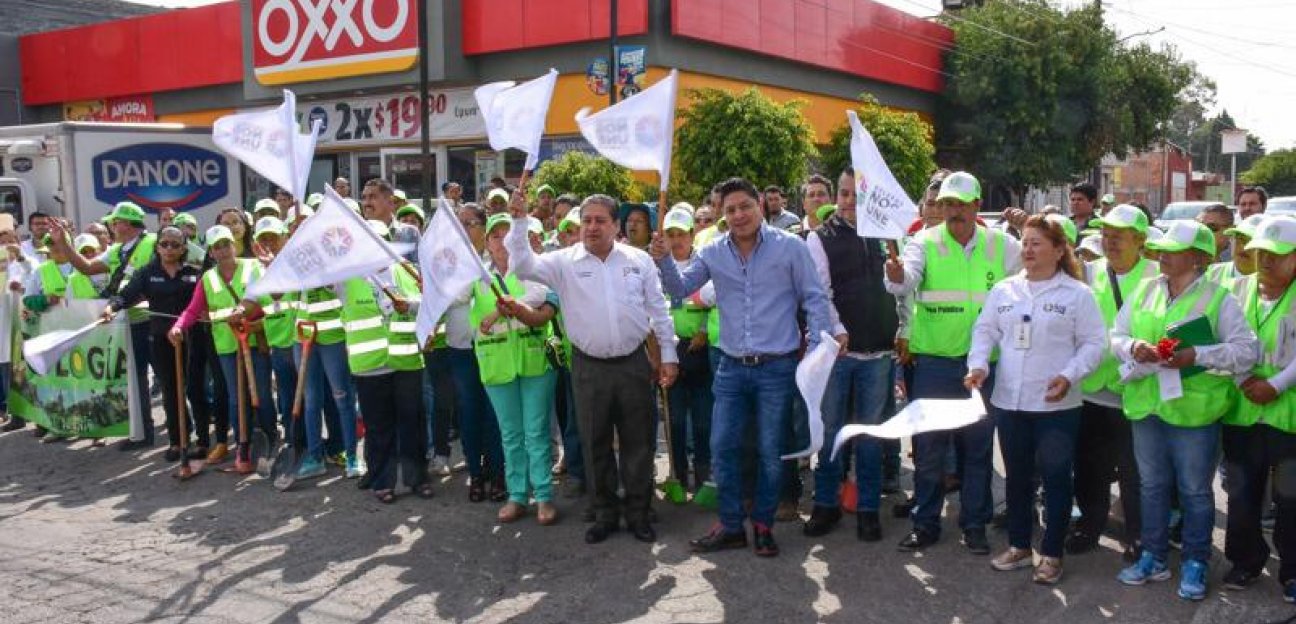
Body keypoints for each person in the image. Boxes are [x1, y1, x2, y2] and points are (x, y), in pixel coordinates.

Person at [654, 177, 835, 558]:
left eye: (745, 207)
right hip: (730, 368)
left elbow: (815, 298)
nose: (738, 215)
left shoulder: (790, 248)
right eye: (730, 210)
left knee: (771, 450)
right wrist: (662, 259)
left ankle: (764, 525)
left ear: (760, 207)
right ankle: (732, 525)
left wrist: (818, 350)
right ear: (723, 214)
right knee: (723, 447)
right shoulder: (713, 251)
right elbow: (680, 287)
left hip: (777, 369)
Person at [508, 191, 678, 545]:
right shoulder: (563, 262)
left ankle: (638, 512)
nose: (592, 227)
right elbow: (523, 266)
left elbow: (658, 309)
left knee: (639, 443)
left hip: (633, 364)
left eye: (601, 220)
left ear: (616, 226)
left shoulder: (638, 260)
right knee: (594, 441)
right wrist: (521, 221)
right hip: (588, 368)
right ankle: (604, 513)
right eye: (586, 220)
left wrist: (669, 354)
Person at [1112, 220, 1258, 601]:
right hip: (1148, 406)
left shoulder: (1218, 297)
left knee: (1194, 491)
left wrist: (1199, 355)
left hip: (1194, 413)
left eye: (1172, 249)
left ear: (1198, 258)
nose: (1162, 254)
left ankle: (1196, 560)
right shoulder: (1145, 289)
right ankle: (1154, 556)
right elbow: (1117, 333)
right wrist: (1133, 347)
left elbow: (1247, 351)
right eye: (1161, 248)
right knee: (1152, 486)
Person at [884, 171, 1022, 555]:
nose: (953, 211)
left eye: (961, 203)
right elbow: (904, 279)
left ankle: (974, 525)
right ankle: (925, 524)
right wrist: (895, 275)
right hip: (935, 366)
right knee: (928, 450)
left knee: (977, 451)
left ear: (978, 205)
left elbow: (1029, 280)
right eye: (947, 204)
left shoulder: (1003, 246)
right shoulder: (924, 242)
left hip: (983, 368)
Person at [966, 215, 1106, 585]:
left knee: (1058, 478)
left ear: (1059, 251)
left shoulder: (1077, 294)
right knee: (1017, 478)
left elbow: (1095, 344)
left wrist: (1069, 375)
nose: (1027, 249)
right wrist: (979, 365)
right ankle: (1018, 546)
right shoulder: (1005, 290)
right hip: (1010, 401)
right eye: (1025, 242)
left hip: (1056, 406)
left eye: (1036, 243)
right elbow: (985, 331)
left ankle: (1052, 553)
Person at [803, 169, 900, 542]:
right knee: (831, 432)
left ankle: (868, 508)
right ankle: (826, 504)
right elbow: (820, 293)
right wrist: (839, 328)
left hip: (878, 353)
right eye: (843, 194)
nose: (847, 202)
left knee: (870, 435)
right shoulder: (820, 237)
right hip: (839, 355)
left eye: (855, 196)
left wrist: (901, 327)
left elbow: (900, 288)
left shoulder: (887, 237)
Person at [1068, 204, 1158, 561]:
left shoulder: (1156, 276)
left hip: (1135, 391)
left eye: (1119, 236)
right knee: (1090, 467)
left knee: (1136, 473)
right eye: (1105, 234)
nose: (1110, 242)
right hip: (1093, 390)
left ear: (1140, 240)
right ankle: (1089, 527)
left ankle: (1138, 536)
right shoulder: (1091, 274)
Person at [1222, 215, 1296, 601]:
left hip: (1288, 416)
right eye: (1260, 253)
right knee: (1242, 492)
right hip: (1243, 408)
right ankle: (1245, 560)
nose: (1265, 261)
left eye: (1277, 255)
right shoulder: (1235, 289)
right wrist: (1243, 381)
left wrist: (1276, 384)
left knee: (1290, 496)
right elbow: (1224, 339)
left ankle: (1293, 571)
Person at [472, 214, 560, 524]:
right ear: (487, 242)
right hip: (497, 367)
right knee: (510, 434)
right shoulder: (476, 276)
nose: (502, 242)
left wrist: (498, 313)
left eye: (508, 236)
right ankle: (517, 495)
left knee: (536, 432)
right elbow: (448, 298)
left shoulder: (530, 268)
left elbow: (538, 296)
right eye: (495, 236)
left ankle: (544, 497)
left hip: (534, 362)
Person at [49, 202, 158, 451]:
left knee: (169, 377)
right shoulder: (117, 250)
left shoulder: (153, 242)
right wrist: (63, 242)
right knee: (136, 379)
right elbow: (86, 268)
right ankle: (144, 433)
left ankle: (183, 433)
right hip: (127, 322)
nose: (111, 226)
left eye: (114, 222)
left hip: (152, 320)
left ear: (127, 223)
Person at [170, 225, 278, 461]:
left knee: (261, 393)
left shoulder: (253, 267)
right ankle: (243, 444)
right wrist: (178, 327)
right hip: (227, 346)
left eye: (226, 244)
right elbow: (192, 310)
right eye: (217, 247)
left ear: (234, 245)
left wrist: (247, 314)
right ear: (211, 253)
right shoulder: (207, 278)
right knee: (235, 397)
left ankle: (271, 438)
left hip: (253, 339)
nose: (223, 250)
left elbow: (267, 300)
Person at [340, 221, 429, 502]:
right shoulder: (346, 277)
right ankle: (383, 481)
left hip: (406, 362)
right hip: (370, 366)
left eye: (379, 240)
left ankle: (417, 478)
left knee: (412, 423)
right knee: (378, 427)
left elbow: (426, 301)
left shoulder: (404, 269)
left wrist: (410, 305)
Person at [104, 227, 207, 461]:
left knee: (194, 389)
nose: (169, 249)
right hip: (161, 338)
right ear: (157, 246)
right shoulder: (147, 273)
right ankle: (177, 441)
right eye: (164, 244)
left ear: (183, 248)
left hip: (193, 337)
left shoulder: (194, 272)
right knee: (171, 390)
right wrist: (112, 307)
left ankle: (203, 440)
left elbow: (205, 300)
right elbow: (126, 295)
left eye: (175, 244)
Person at [445, 204, 507, 502]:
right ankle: (475, 473)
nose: (463, 229)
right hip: (461, 349)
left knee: (495, 413)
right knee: (469, 413)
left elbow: (464, 294)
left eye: (469, 223)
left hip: (494, 347)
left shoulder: (495, 259)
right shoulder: (449, 261)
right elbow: (443, 297)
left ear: (484, 227)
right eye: (459, 224)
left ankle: (497, 473)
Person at [659, 207, 714, 493]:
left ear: (693, 235)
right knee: (675, 420)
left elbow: (715, 301)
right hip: (672, 352)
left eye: (682, 234)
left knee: (704, 420)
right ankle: (678, 476)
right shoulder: (657, 268)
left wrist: (704, 330)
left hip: (701, 352)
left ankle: (704, 475)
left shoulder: (704, 264)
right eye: (671, 235)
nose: (677, 240)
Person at [1206, 214, 1264, 295]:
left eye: (1252, 242)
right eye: (1240, 239)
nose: (1244, 247)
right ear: (1231, 240)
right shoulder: (1209, 275)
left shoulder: (1272, 284)